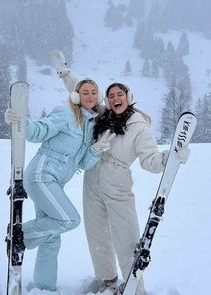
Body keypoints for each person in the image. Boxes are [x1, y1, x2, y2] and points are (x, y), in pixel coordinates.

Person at [53, 56, 190, 294]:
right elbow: (84, 94)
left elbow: (150, 161)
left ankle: (134, 287)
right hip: (93, 178)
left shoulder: (139, 126)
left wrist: (169, 158)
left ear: (129, 98)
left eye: (121, 94)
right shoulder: (103, 114)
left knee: (126, 238)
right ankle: (107, 279)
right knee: (96, 234)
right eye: (112, 95)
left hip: (117, 182)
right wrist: (65, 73)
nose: (116, 98)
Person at [4, 78, 116, 293]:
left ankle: (44, 287)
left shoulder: (92, 124)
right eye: (85, 92)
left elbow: (83, 163)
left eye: (94, 92)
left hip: (56, 182)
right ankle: (20, 236)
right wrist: (19, 122)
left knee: (52, 237)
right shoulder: (65, 113)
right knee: (69, 219)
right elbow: (38, 131)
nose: (90, 96)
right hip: (41, 176)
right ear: (76, 96)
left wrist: (95, 150)